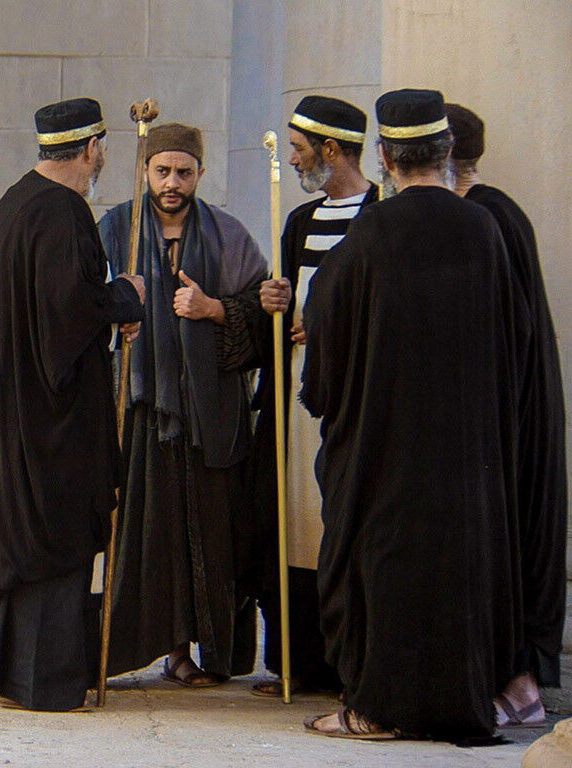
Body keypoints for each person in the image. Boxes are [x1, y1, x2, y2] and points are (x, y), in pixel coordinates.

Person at [300, 89, 520, 740]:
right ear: (446, 152)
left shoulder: (372, 231)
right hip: (466, 449)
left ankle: (376, 708)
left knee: (386, 569)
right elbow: (515, 339)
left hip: (387, 446)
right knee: (458, 571)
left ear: (386, 157)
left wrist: (327, 393)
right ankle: (456, 703)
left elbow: (325, 322)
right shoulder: (483, 228)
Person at [0, 97, 145, 711]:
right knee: (50, 530)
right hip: (44, 419)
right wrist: (125, 297)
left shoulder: (14, 202)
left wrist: (110, 306)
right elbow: (67, 311)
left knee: (18, 538)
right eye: (102, 150)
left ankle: (3, 672)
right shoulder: (64, 210)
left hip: (7, 407)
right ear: (91, 149)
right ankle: (46, 680)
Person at [98, 123, 268, 687]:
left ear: (200, 173)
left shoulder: (229, 235)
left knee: (212, 535)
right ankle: (163, 648)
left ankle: (205, 650)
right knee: (152, 534)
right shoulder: (116, 229)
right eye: (162, 171)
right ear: (144, 170)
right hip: (140, 412)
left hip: (208, 416)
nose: (172, 183)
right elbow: (83, 304)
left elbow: (259, 315)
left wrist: (212, 309)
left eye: (184, 172)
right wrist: (118, 319)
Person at [251, 96, 378, 697]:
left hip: (352, 398)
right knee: (294, 522)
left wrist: (329, 329)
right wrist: (271, 303)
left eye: (301, 150)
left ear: (332, 149)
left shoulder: (381, 215)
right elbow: (283, 306)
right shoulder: (301, 220)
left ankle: (350, 663)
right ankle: (297, 660)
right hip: (297, 396)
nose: (296, 160)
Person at [447, 101, 566, 728]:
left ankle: (520, 687)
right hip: (500, 415)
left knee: (511, 543)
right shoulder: (489, 212)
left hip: (506, 421)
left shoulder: (487, 215)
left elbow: (503, 329)